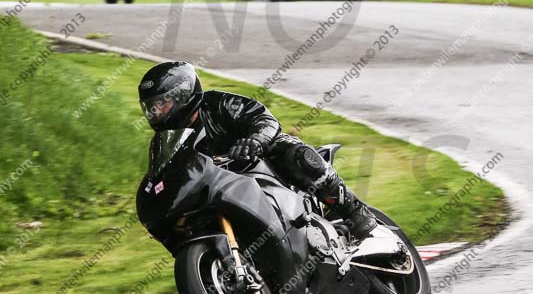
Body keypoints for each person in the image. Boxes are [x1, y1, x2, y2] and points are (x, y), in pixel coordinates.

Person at [138, 61, 377, 239]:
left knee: (295, 154)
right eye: (150, 108)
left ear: (183, 94)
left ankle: (354, 210)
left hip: (257, 163)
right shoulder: (166, 141)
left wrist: (254, 140)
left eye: (161, 104)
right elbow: (164, 176)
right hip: (224, 187)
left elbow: (264, 119)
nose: (155, 113)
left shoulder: (217, 104)